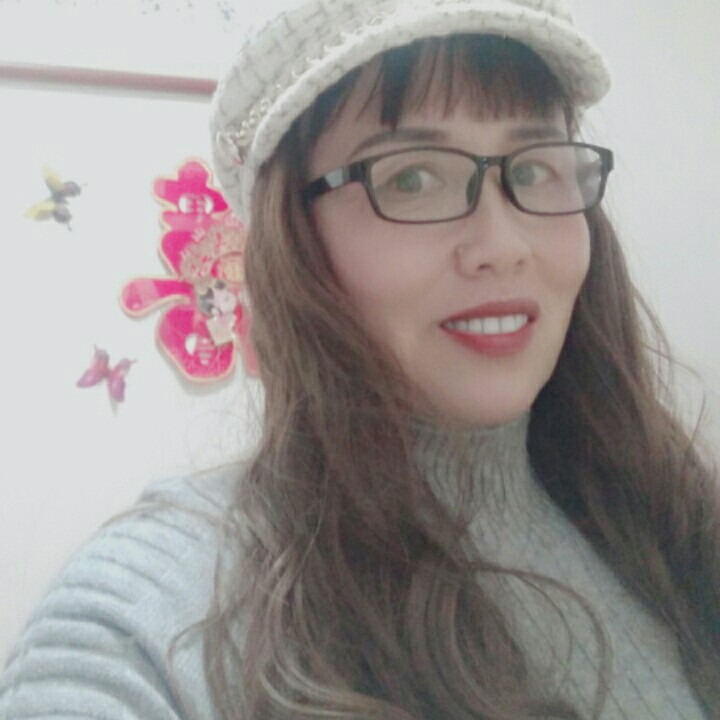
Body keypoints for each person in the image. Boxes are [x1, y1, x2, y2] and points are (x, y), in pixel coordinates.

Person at [1, 1, 719, 719]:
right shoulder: (172, 598)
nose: (503, 245)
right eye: (411, 178)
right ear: (296, 242)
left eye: (533, 169)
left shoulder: (662, 516)